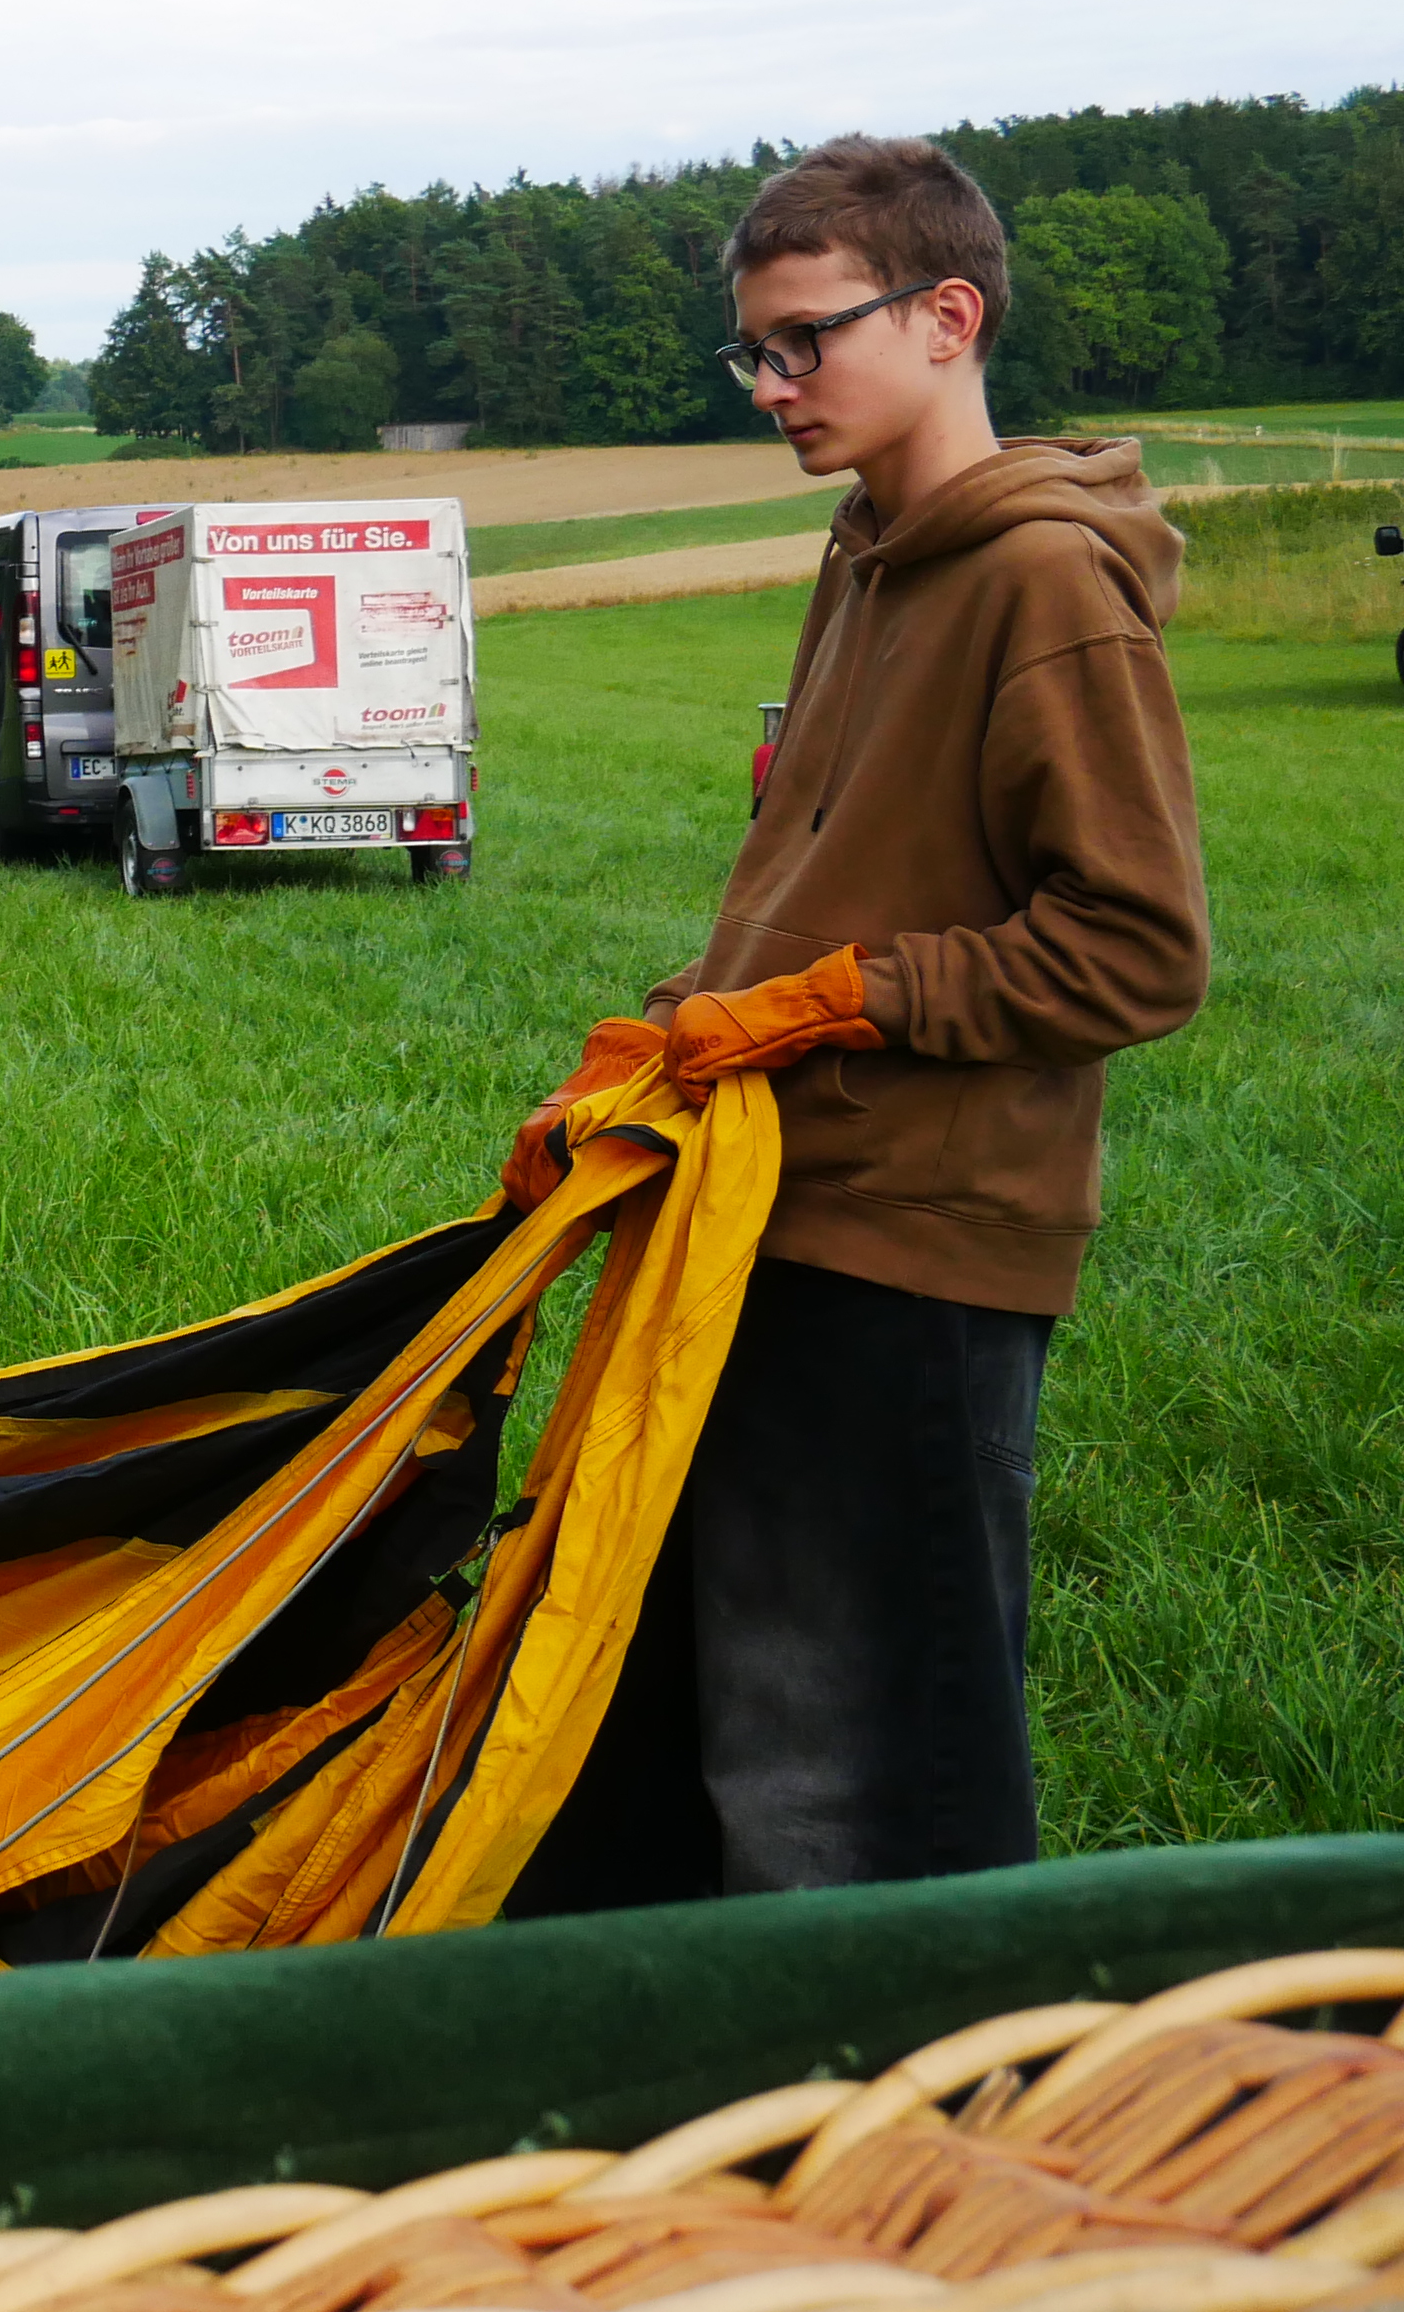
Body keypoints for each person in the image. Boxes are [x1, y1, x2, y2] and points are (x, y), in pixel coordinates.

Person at [503, 135, 1207, 1907]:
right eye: (752, 350)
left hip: (914, 1253)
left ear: (946, 316)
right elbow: (806, 871)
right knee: (685, 1712)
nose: (770, 385)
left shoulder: (1044, 581)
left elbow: (1134, 948)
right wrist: (657, 1045)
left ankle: (906, 2137)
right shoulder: (865, 555)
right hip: (754, 1215)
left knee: (861, 1778)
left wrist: (845, 1002)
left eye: (803, 340)